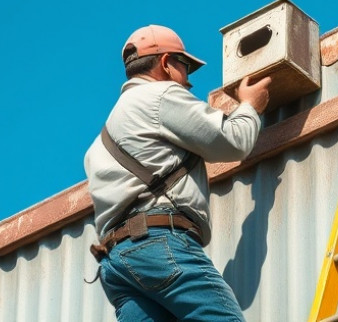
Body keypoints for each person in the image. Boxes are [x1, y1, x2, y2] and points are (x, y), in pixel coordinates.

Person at [84, 24, 271, 321]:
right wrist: (250, 106)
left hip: (116, 265)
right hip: (157, 244)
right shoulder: (159, 96)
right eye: (184, 67)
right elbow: (234, 142)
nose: (188, 82)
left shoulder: (99, 145)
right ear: (166, 63)